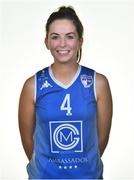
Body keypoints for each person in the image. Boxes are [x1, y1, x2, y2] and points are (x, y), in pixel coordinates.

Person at [18, 6, 112, 179]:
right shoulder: (33, 85)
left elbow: (102, 140)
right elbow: (27, 142)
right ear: (46, 42)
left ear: (80, 41)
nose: (62, 44)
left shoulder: (98, 83)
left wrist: (82, 166)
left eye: (70, 36)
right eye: (55, 37)